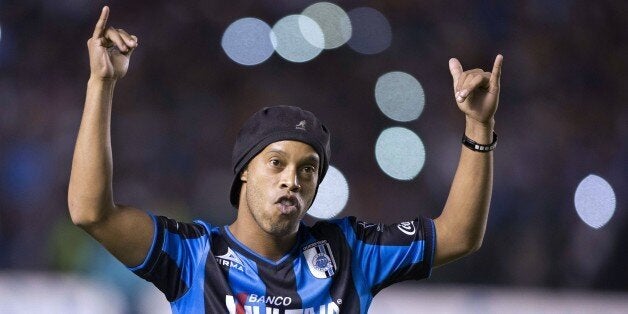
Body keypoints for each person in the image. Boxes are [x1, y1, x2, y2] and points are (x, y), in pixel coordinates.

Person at [68, 6, 503, 314]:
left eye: (308, 169)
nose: (292, 179)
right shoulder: (193, 256)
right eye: (276, 162)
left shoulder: (348, 253)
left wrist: (479, 128)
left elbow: (459, 235)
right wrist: (101, 83)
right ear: (243, 173)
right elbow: (91, 213)